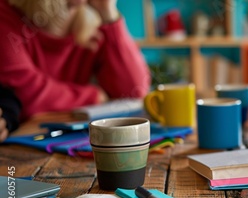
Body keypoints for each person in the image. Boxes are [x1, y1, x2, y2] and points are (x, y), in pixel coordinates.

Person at [0, 0, 150, 142]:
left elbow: (134, 91)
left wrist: (108, 14)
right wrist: (93, 97)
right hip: (22, 147)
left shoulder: (90, 20)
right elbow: (24, 96)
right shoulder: (6, 15)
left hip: (67, 141)